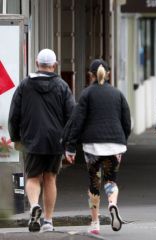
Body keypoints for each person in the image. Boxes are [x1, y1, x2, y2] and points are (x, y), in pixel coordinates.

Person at [8, 49, 75, 232]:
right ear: (54, 65)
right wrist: (70, 144)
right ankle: (47, 221)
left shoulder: (24, 85)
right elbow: (71, 117)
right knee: (50, 178)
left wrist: (16, 137)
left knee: (33, 177)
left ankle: (34, 206)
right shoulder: (62, 86)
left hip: (31, 139)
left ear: (37, 63)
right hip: (55, 140)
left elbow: (14, 114)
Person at [64, 59, 131, 234]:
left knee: (94, 182)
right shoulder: (118, 94)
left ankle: (95, 224)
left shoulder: (87, 94)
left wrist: (70, 146)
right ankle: (112, 204)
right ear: (108, 73)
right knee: (111, 180)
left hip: (92, 145)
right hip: (115, 144)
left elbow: (77, 122)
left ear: (90, 75)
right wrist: (123, 140)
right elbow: (127, 121)